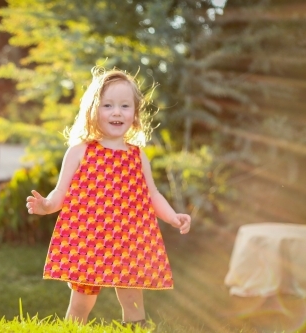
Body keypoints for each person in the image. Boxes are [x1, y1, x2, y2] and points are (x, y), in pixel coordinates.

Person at [26, 66, 191, 327]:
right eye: (108, 105)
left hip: (128, 241)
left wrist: (173, 217)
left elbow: (153, 194)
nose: (116, 112)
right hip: (89, 241)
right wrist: (46, 206)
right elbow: (60, 193)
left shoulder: (137, 155)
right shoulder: (80, 151)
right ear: (93, 110)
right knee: (81, 301)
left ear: (135, 114)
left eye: (125, 106)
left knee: (133, 299)